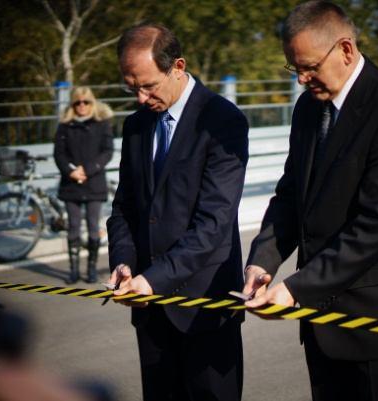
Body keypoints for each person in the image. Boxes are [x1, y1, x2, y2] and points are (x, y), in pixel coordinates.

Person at [242, 2, 378, 401]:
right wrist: (263, 259)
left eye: (309, 66)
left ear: (345, 50)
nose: (301, 79)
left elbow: (377, 226)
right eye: (293, 68)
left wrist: (296, 288)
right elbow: (293, 193)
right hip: (322, 324)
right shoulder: (308, 109)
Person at [107, 23, 249, 401]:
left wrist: (154, 279)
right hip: (150, 311)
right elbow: (123, 207)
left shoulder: (223, 121)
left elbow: (214, 223)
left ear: (178, 66)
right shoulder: (136, 125)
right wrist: (123, 261)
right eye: (130, 87)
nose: (140, 98)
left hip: (205, 305)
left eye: (148, 86)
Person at [54, 86, 114, 284]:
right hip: (71, 184)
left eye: (86, 102)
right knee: (73, 227)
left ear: (92, 102)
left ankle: (91, 269)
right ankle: (73, 270)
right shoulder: (64, 125)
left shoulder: (102, 123)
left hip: (94, 183)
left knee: (93, 226)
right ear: (72, 104)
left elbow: (107, 152)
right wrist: (71, 171)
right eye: (77, 102)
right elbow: (59, 154)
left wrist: (87, 170)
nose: (81, 106)